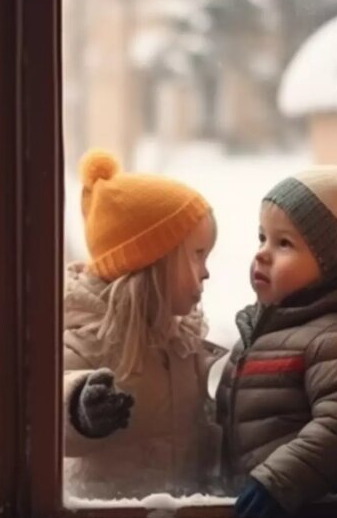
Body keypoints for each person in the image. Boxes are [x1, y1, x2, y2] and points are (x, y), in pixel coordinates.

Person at [62, 149, 225, 500]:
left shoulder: (182, 341)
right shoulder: (89, 336)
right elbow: (39, 412)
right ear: (152, 261)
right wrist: (77, 409)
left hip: (174, 517)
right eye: (198, 255)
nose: (206, 272)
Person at [217, 166, 337, 518]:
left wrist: (280, 480)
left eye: (284, 243)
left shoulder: (332, 336)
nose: (262, 253)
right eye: (262, 238)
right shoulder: (252, 339)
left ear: (335, 262)